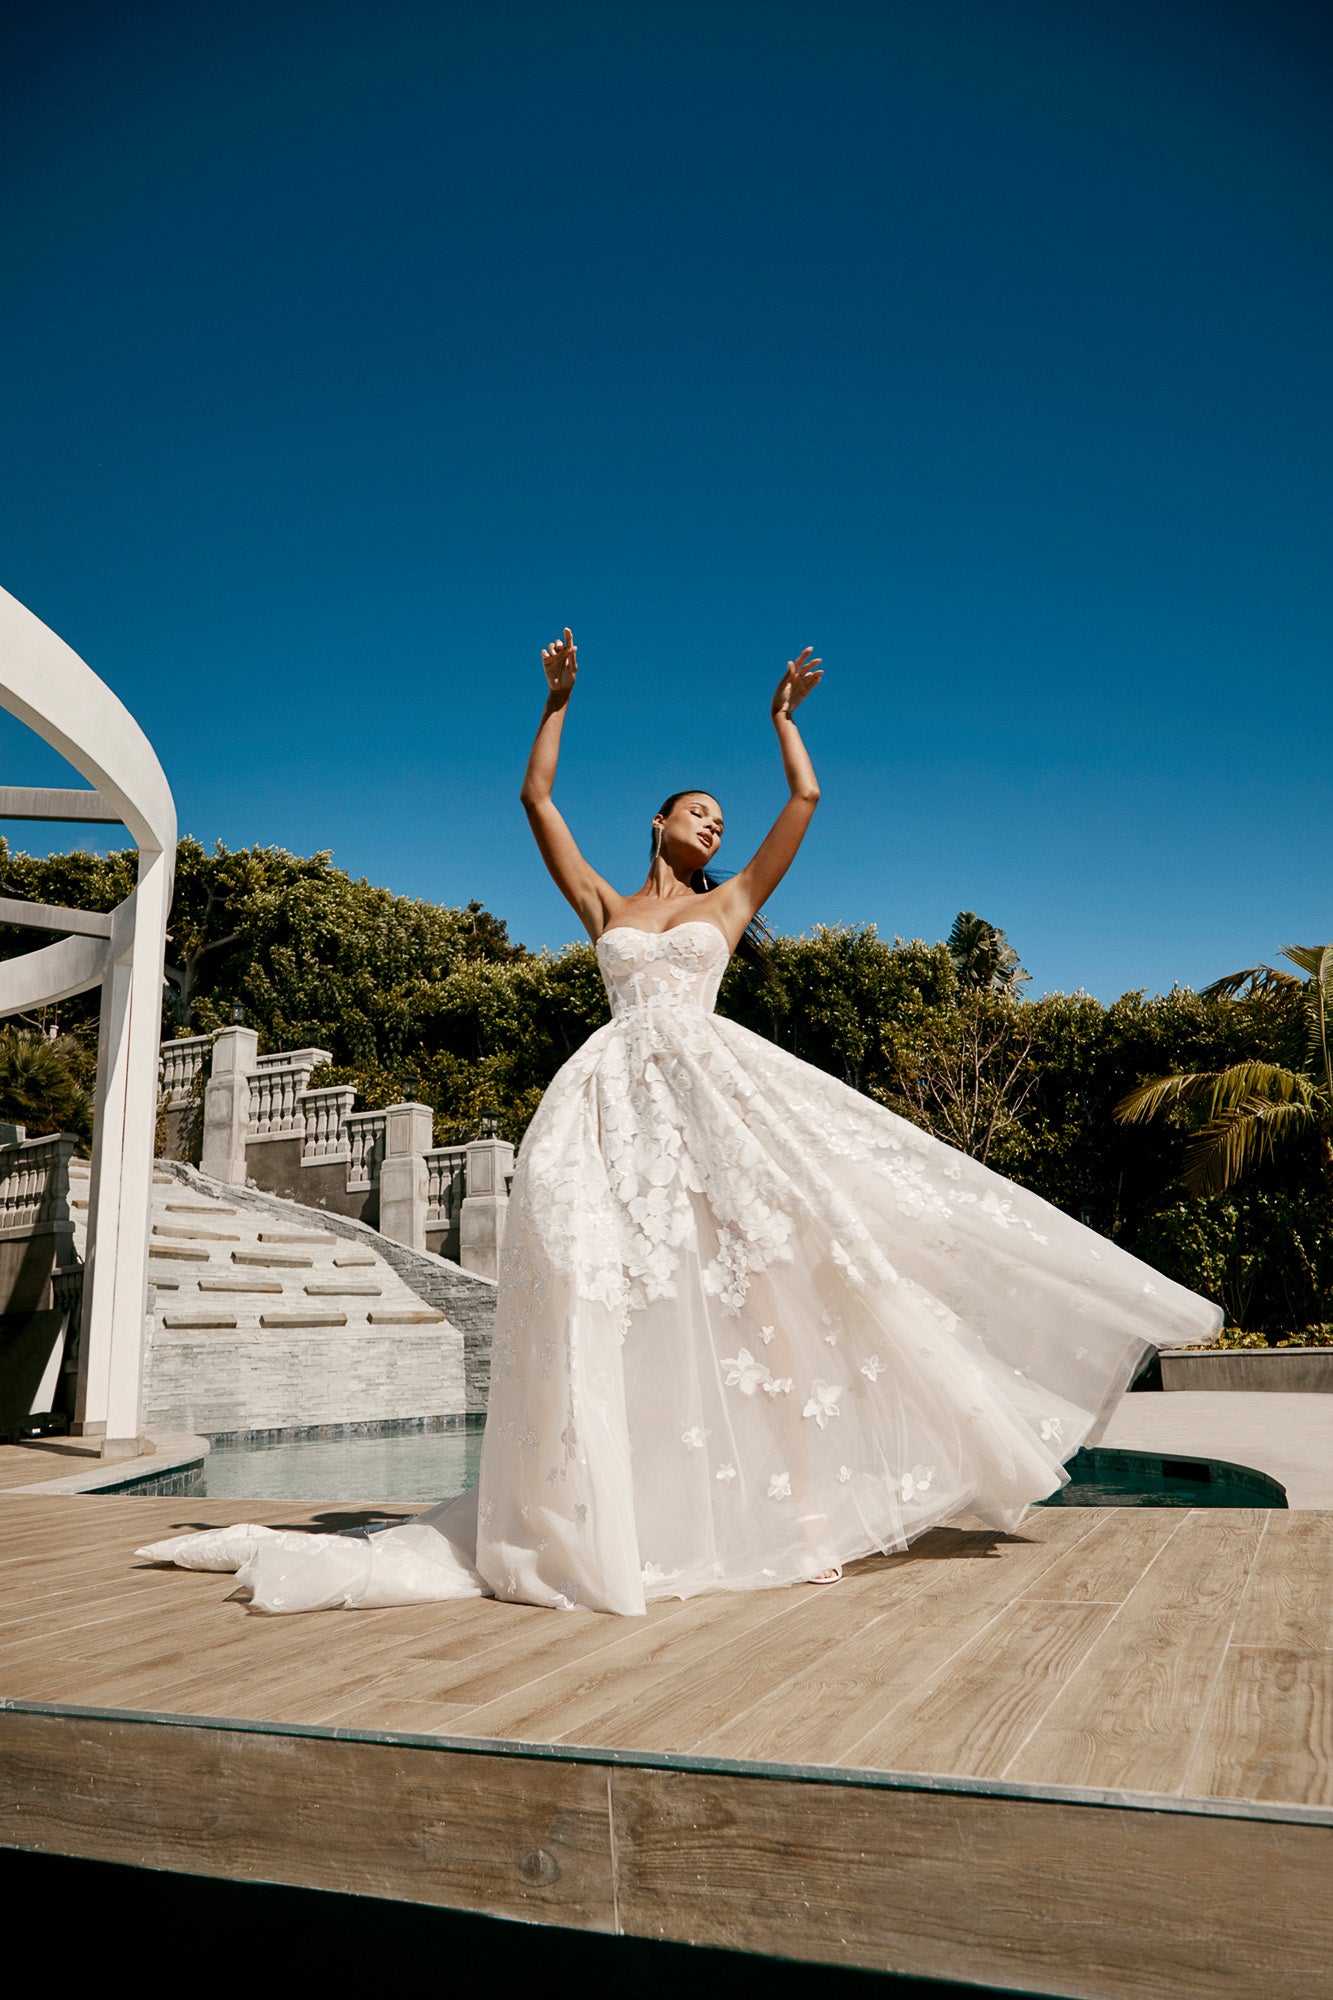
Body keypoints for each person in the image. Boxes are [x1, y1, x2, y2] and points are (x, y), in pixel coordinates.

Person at [139, 629, 1221, 1613]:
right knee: (603, 1289)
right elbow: (534, 801)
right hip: (609, 1107)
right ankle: (618, 1501)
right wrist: (557, 702)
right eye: (697, 811)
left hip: (713, 1103)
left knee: (768, 1306)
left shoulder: (730, 902)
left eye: (719, 819)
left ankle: (801, 1522)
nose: (713, 825)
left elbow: (802, 806)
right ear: (659, 821)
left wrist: (783, 723)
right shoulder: (610, 908)